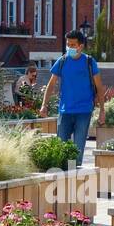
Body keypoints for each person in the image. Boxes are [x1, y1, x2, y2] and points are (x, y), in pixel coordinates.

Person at [41, 29, 105, 163]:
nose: (69, 47)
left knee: (77, 150)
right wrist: (44, 105)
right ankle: (63, 176)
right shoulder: (62, 61)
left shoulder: (89, 62)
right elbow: (51, 84)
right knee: (60, 149)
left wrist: (102, 111)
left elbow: (99, 87)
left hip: (84, 111)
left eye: (73, 45)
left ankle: (74, 177)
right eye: (68, 44)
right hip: (65, 111)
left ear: (81, 46)